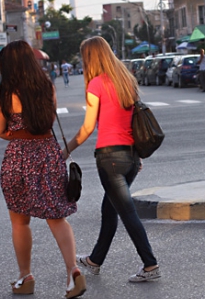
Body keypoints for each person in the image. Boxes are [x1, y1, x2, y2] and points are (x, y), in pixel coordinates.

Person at [0, 40, 86, 299]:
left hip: (19, 158)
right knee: (56, 217)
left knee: (19, 221)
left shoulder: (8, 92)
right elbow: (48, 120)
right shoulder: (47, 87)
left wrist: (15, 133)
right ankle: (73, 271)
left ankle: (26, 277)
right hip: (48, 153)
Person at [63, 36, 160, 283]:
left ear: (90, 58)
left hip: (110, 159)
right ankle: (95, 260)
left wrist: (64, 151)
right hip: (130, 157)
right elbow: (132, 122)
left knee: (127, 213)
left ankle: (150, 265)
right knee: (110, 209)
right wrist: (137, 156)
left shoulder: (96, 84)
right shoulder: (126, 80)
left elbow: (87, 128)